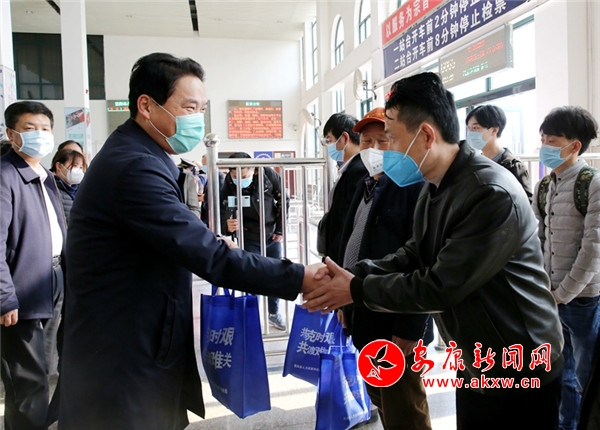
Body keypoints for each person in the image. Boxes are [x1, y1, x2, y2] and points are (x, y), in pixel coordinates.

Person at [59, 52, 324, 430]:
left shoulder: (139, 154)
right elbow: (211, 258)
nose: (197, 119)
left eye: (202, 108)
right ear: (147, 106)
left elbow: (173, 237)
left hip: (133, 343)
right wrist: (301, 278)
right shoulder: (135, 166)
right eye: (188, 107)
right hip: (123, 358)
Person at [303, 72, 564, 430]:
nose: (384, 152)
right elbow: (414, 254)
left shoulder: (490, 193)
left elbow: (442, 285)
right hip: (478, 354)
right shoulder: (435, 185)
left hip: (519, 359)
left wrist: (356, 289)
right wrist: (355, 274)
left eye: (392, 139)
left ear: (426, 135)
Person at [340, 107, 433, 429]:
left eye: (383, 141)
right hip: (364, 313)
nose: (374, 150)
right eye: (367, 142)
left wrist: (409, 327)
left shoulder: (414, 188)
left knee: (405, 408)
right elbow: (352, 242)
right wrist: (346, 303)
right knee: (381, 397)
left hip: (395, 321)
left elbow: (422, 260)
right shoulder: (366, 185)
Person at [532, 106, 600, 430]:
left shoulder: (592, 184)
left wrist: (565, 292)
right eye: (543, 138)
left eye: (552, 140)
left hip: (584, 300)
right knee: (563, 374)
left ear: (575, 145)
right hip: (551, 298)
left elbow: (593, 249)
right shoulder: (544, 186)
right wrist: (544, 288)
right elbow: (540, 238)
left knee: (588, 376)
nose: (544, 145)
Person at [0, 101, 67, 430]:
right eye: (29, 129)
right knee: (28, 382)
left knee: (44, 371)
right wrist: (4, 296)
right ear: (11, 134)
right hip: (22, 290)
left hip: (52, 281)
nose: (39, 135)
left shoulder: (45, 176)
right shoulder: (5, 176)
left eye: (45, 129)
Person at [220, 152, 289, 330]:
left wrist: (280, 229)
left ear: (253, 170)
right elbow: (223, 206)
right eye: (236, 176)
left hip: (271, 234)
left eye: (243, 176)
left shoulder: (267, 174)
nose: (239, 180)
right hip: (248, 235)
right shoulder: (228, 182)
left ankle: (273, 313)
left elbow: (284, 199)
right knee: (252, 276)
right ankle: (251, 317)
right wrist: (227, 224)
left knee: (276, 274)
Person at [317, 113, 368, 263]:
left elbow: (346, 222)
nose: (328, 146)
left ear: (344, 138)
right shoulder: (349, 169)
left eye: (329, 140)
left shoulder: (358, 172)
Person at [465, 105, 533, 201]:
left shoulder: (513, 167)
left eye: (476, 128)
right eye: (469, 128)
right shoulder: (473, 164)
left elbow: (526, 202)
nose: (471, 133)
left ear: (494, 130)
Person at [50, 148, 87, 224]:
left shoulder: (80, 190)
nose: (78, 170)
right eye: (74, 166)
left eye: (80, 167)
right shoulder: (51, 189)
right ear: (59, 166)